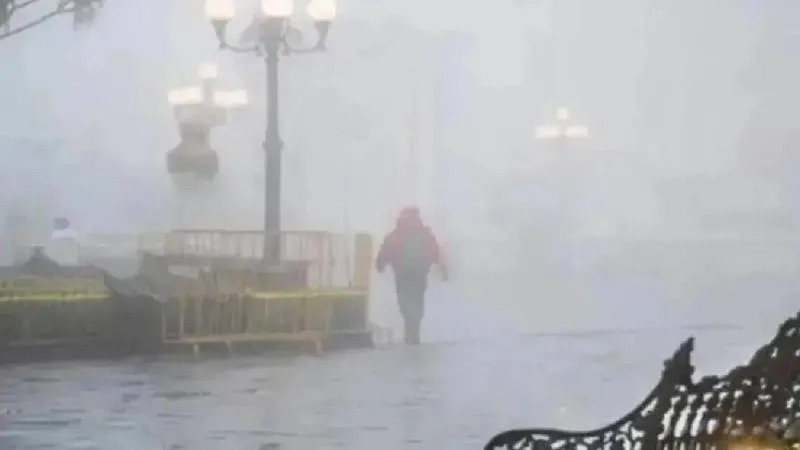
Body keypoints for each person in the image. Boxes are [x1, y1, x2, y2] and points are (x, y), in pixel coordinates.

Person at [375, 206, 447, 345]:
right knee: (417, 300)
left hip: (403, 274)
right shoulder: (425, 235)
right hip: (419, 274)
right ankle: (414, 328)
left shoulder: (397, 234)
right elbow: (435, 252)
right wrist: (443, 269)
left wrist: (380, 265)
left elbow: (386, 250)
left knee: (404, 300)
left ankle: (410, 326)